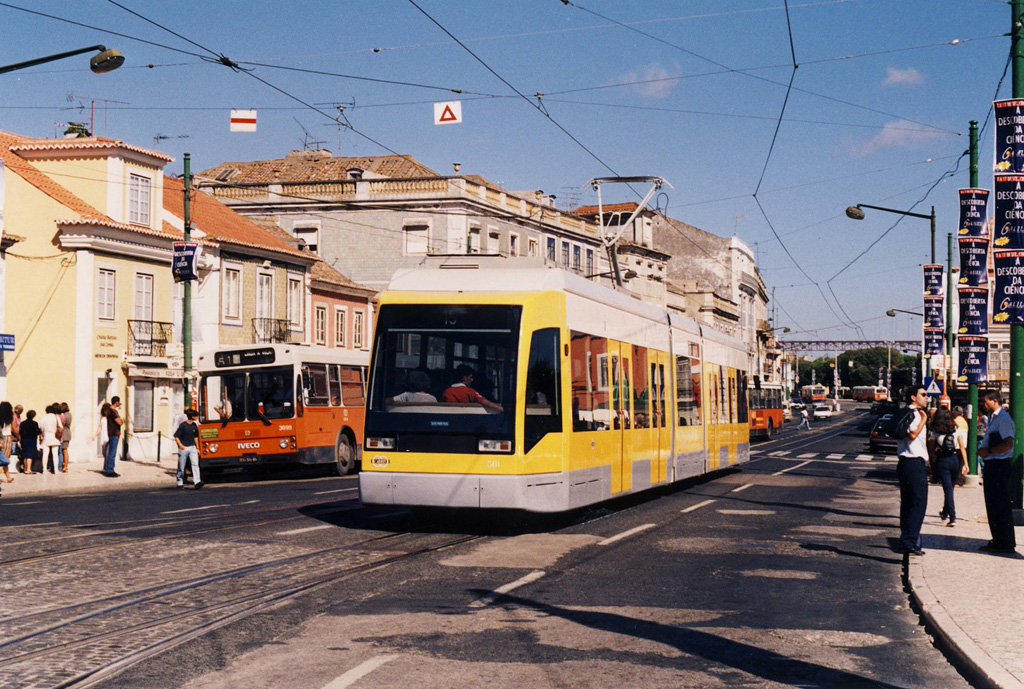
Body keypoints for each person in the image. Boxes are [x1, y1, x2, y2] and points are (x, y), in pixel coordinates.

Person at [977, 390, 1017, 554]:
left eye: (986, 402)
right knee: (993, 504)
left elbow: (1008, 444)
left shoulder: (1003, 419)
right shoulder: (993, 418)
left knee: (1000, 504)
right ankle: (998, 539)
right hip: (992, 464)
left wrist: (990, 451)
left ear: (994, 401)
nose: (984, 405)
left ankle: (1005, 542)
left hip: (999, 464)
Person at [896, 386, 930, 556]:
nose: (927, 397)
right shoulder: (916, 414)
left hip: (904, 462)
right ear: (913, 397)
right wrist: (924, 418)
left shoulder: (905, 413)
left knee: (907, 502)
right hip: (914, 462)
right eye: (923, 395)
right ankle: (909, 541)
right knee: (918, 502)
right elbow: (912, 435)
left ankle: (906, 538)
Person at [927, 408, 967, 527]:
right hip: (955, 459)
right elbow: (962, 447)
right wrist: (965, 463)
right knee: (951, 488)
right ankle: (945, 513)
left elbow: (931, 448)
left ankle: (953, 518)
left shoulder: (935, 431)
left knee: (948, 490)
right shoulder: (956, 430)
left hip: (943, 461)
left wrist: (933, 458)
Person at [174, 409, 203, 490]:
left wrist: (197, 447)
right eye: (196, 416)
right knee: (181, 466)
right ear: (192, 416)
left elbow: (195, 437)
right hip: (184, 448)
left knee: (195, 464)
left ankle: (197, 482)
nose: (197, 417)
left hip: (192, 447)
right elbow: (176, 436)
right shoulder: (183, 425)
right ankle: (179, 482)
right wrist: (180, 445)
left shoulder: (194, 425)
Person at [40, 403, 64, 474]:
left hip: (46, 437)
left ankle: (44, 470)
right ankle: (56, 470)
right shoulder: (56, 418)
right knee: (55, 454)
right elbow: (60, 428)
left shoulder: (43, 418)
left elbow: (41, 428)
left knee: (45, 454)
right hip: (54, 437)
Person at [103, 396, 122, 478]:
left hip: (111, 433)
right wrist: (122, 420)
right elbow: (119, 422)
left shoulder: (109, 411)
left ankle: (110, 469)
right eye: (119, 402)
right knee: (112, 452)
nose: (119, 403)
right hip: (114, 433)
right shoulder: (113, 411)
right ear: (116, 402)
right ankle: (110, 470)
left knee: (111, 452)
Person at [19, 410, 40, 474]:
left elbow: (20, 432)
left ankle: (25, 469)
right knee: (29, 455)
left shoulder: (22, 423)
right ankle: (29, 469)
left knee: (25, 454)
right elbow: (38, 432)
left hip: (24, 439)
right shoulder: (34, 423)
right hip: (31, 440)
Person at [0, 401, 14, 484]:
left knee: (3, 459)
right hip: (7, 438)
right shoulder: (9, 418)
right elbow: (14, 429)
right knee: (4, 459)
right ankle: (8, 477)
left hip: (1, 438)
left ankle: (8, 477)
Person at [59, 402, 72, 472]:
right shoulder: (69, 414)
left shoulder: (64, 416)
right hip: (68, 433)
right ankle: (65, 465)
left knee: (64, 450)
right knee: (65, 450)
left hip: (64, 434)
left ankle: (65, 466)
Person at [12, 404, 22, 472]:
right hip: (13, 437)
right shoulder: (13, 416)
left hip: (17, 437)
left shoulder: (18, 417)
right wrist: (18, 436)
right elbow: (13, 428)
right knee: (13, 453)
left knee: (17, 453)